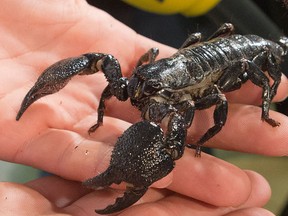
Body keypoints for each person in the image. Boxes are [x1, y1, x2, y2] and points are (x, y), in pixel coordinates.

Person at [0, 1, 287, 215]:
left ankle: (254, 114)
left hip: (236, 56)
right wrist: (101, 114)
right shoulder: (143, 76)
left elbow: (183, 131)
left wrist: (265, 102)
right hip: (180, 59)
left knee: (191, 124)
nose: (133, 93)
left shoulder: (183, 102)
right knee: (104, 61)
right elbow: (102, 70)